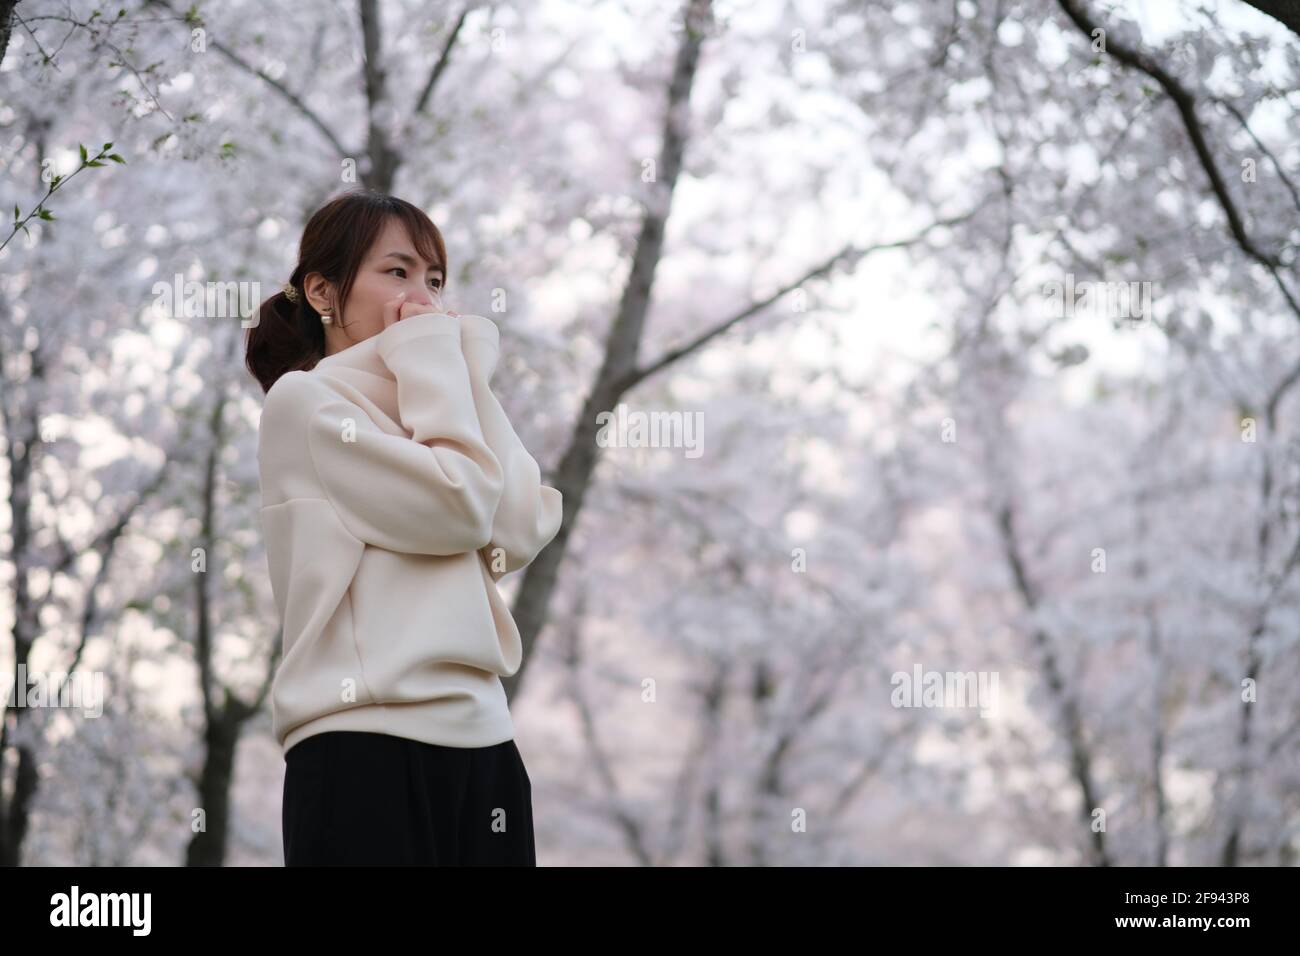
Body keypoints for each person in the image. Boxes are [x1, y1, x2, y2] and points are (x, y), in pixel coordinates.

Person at [245, 189, 562, 865]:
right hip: (363, 747)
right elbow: (461, 507)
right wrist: (439, 362)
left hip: (488, 747)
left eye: (436, 280)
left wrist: (462, 369)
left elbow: (519, 524)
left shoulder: (436, 400)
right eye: (397, 272)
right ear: (324, 293)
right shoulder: (307, 404)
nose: (423, 298)